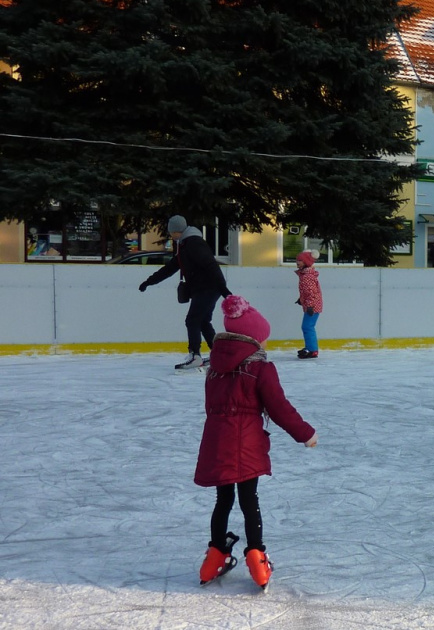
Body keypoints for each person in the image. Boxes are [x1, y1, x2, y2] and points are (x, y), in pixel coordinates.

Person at [195, 295, 317, 590]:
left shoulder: (214, 368)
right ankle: (257, 560)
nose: (266, 345)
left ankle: (214, 558)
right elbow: (279, 408)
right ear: (252, 340)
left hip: (216, 442)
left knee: (223, 500)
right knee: (249, 501)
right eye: (263, 340)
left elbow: (213, 407)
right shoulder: (260, 369)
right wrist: (305, 433)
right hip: (246, 445)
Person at [138, 215, 231, 370]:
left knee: (193, 320)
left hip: (208, 288)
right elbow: (170, 268)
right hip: (206, 288)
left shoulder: (194, 243)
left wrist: (224, 290)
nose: (170, 235)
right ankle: (218, 354)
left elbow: (211, 265)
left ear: (176, 231)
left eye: (171, 231)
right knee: (202, 321)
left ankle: (195, 355)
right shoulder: (185, 245)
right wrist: (149, 281)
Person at [295, 251, 323, 359]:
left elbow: (311, 292)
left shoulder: (307, 276)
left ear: (306, 262)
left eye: (300, 260)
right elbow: (306, 291)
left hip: (313, 306)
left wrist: (310, 305)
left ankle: (312, 350)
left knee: (307, 326)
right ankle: (310, 348)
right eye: (297, 260)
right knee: (307, 327)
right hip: (312, 304)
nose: (297, 262)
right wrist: (301, 299)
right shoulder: (305, 274)